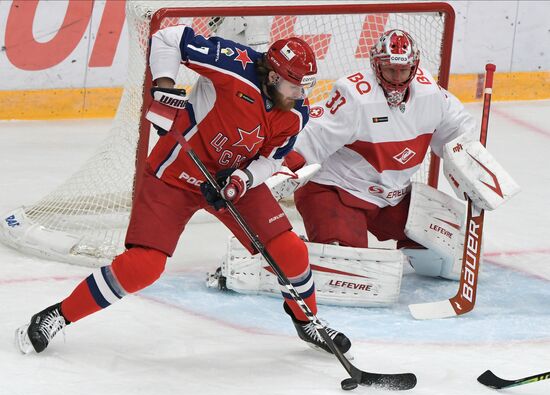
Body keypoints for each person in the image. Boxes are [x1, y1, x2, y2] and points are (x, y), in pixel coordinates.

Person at [15, 24, 351, 356]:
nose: (302, 94)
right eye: (296, 86)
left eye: (305, 85)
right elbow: (168, 37)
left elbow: (270, 160)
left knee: (291, 251)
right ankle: (58, 314)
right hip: (174, 174)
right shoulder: (234, 64)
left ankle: (308, 323)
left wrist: (241, 181)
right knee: (144, 266)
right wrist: (164, 90)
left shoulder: (295, 114)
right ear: (275, 77)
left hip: (232, 181)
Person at [208, 29, 519, 306]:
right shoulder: (355, 96)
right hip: (337, 195)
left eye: (403, 70)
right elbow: (311, 140)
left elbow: (457, 135)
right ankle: (249, 268)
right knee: (353, 274)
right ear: (375, 65)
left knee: (455, 261)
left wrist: (473, 172)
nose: (397, 78)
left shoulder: (430, 94)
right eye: (389, 70)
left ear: (414, 67)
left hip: (395, 198)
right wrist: (262, 175)